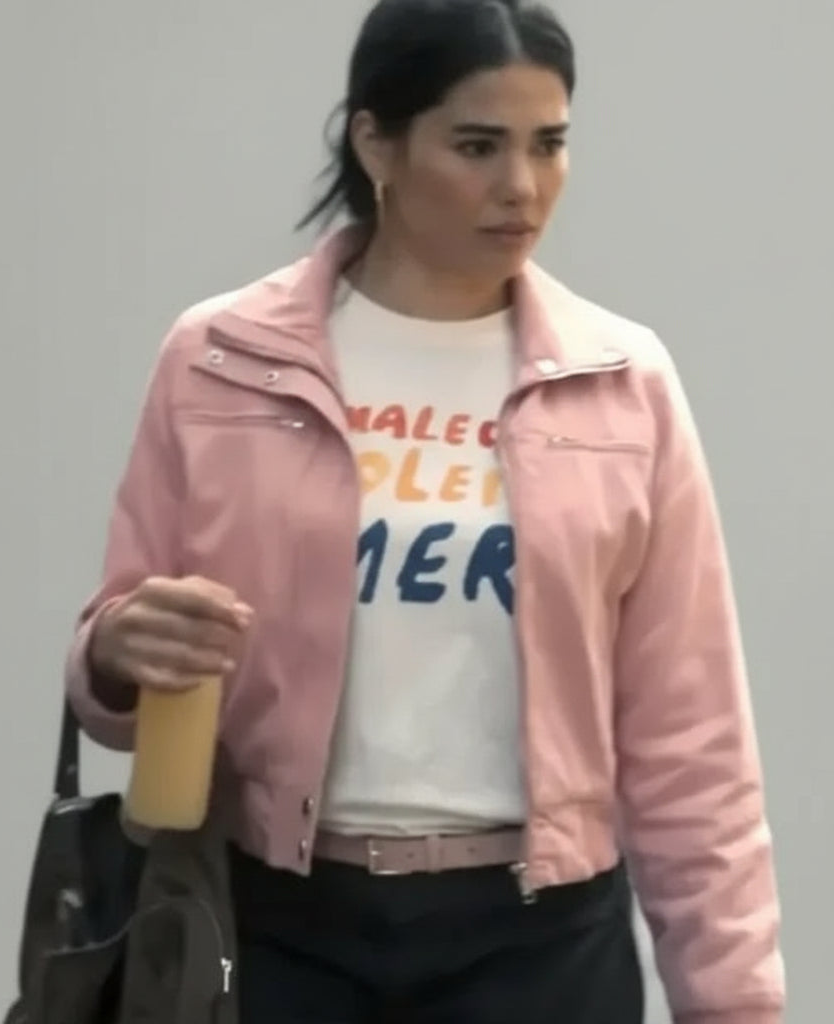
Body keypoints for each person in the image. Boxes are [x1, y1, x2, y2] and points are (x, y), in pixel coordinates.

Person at [64, 1, 785, 1021]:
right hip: (277, 929)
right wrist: (113, 651)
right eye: (478, 146)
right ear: (377, 144)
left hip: (539, 943)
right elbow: (120, 656)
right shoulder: (219, 362)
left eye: (548, 144)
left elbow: (694, 743)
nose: (522, 185)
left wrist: (735, 1003)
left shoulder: (622, 385)